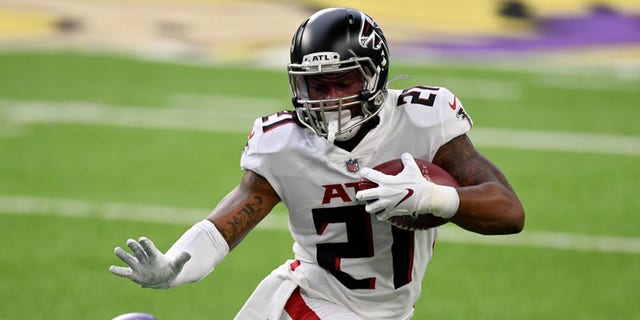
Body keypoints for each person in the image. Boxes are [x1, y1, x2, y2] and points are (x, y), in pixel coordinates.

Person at [109, 7, 525, 320]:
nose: (329, 99)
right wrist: (174, 266)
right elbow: (227, 222)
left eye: (342, 82)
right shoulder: (284, 143)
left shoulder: (422, 120)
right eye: (316, 86)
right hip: (311, 300)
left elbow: (509, 212)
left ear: (374, 76)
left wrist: (434, 197)